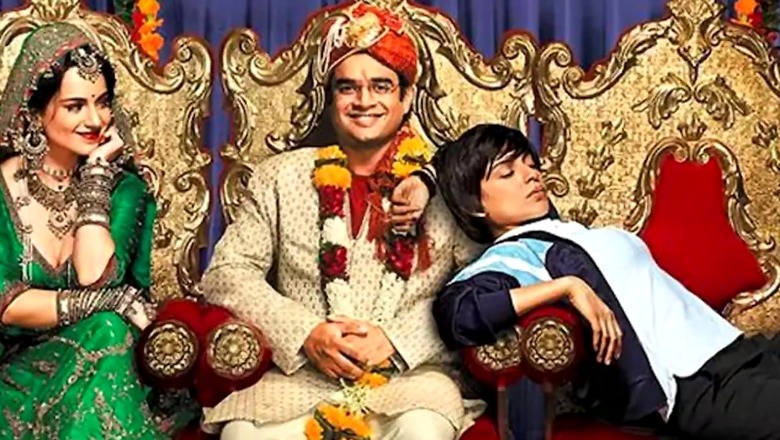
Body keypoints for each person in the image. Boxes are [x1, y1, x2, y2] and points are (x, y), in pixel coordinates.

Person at [199, 3, 485, 439]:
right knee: (243, 434)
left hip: (410, 382)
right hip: (299, 380)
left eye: (381, 86)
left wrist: (398, 341)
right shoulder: (279, 178)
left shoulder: (445, 186)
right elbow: (227, 274)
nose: (364, 101)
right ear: (330, 97)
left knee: (422, 431)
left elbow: (482, 282)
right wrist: (305, 333)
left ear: (407, 96)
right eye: (348, 87)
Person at [395, 122, 780, 440]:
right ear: (474, 204)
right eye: (508, 173)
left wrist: (427, 176)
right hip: (697, 387)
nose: (531, 175)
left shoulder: (564, 231)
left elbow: (454, 157)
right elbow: (458, 312)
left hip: (740, 352)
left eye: (530, 164)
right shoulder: (514, 255)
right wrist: (567, 286)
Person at [0, 23, 183, 439]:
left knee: (107, 330)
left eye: (102, 103)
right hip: (13, 370)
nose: (95, 120)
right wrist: (110, 301)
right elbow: (7, 305)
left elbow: (93, 276)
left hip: (106, 358)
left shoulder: (123, 190)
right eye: (75, 106)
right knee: (107, 323)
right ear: (35, 112)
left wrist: (96, 178)